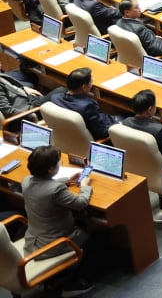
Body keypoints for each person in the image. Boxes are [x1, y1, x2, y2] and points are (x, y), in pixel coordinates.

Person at [22, 145, 102, 295]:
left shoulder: (26, 181)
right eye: (57, 163)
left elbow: (44, 187)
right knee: (98, 238)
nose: (59, 165)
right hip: (55, 243)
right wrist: (85, 186)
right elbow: (80, 204)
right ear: (50, 170)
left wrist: (66, 180)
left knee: (82, 224)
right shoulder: (55, 190)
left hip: (34, 239)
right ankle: (79, 281)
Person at [51, 67, 122, 141]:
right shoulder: (87, 106)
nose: (92, 85)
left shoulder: (55, 98)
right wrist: (117, 125)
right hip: (101, 137)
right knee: (124, 117)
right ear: (84, 87)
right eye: (91, 82)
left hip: (67, 136)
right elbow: (101, 133)